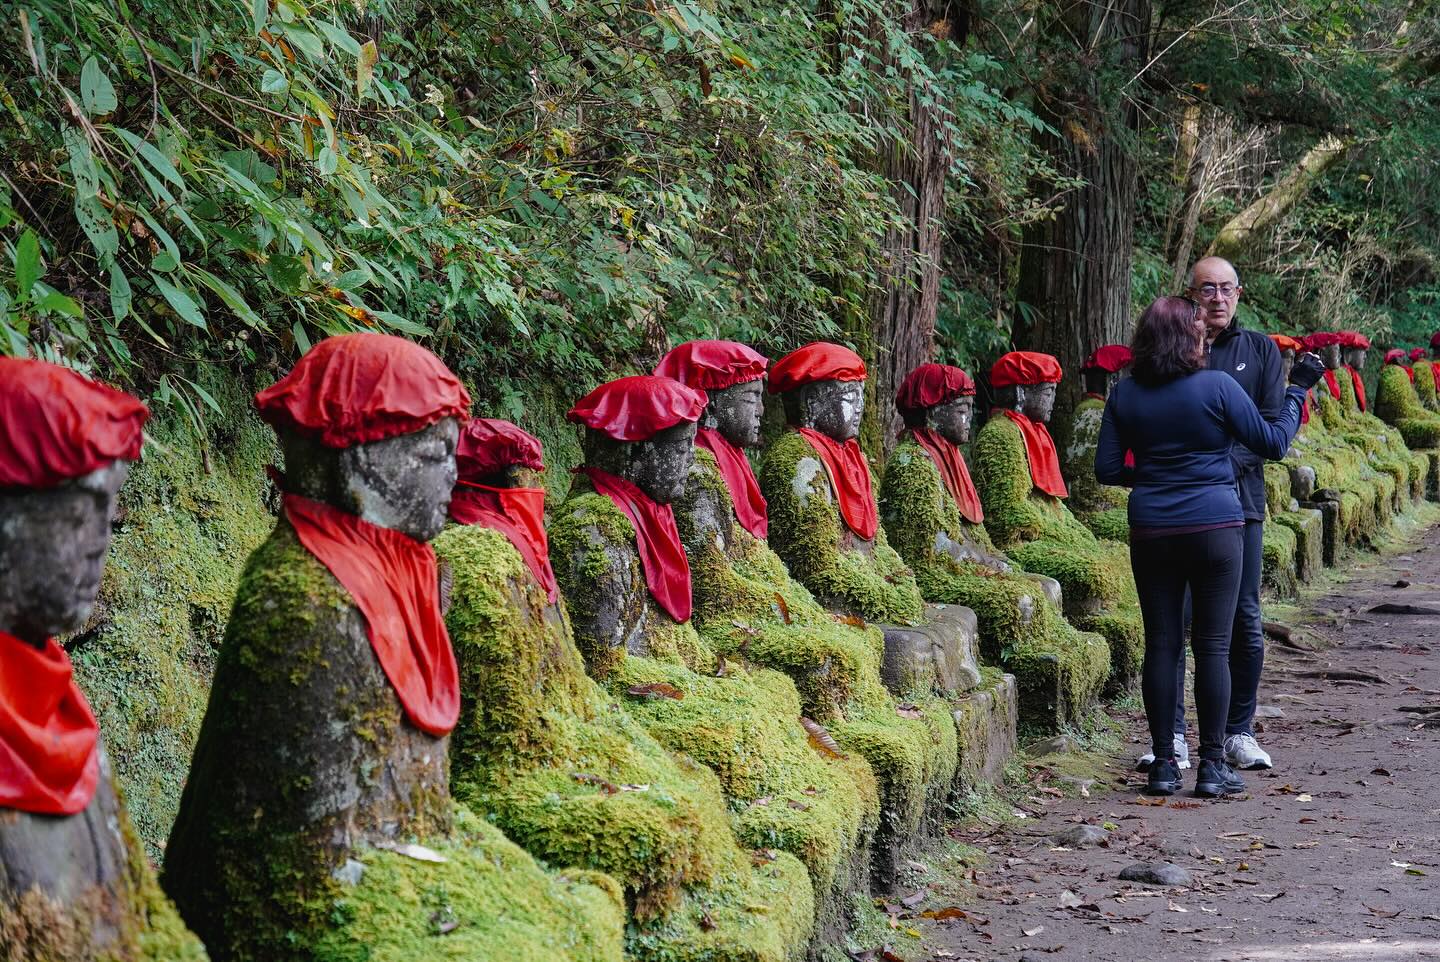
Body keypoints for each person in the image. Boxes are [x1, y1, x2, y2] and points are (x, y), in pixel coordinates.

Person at [1097, 296, 1324, 798]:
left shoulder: (1125, 394)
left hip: (1153, 526)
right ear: (1189, 338)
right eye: (1198, 326)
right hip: (1217, 525)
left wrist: (1156, 476)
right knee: (1213, 646)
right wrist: (1297, 391)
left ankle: (1162, 764)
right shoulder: (1217, 386)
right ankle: (1212, 766)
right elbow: (1273, 441)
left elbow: (1108, 470)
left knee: (1162, 643)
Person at [1186, 256, 1284, 772]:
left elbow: (1268, 431)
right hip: (1181, 507)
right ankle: (1174, 735)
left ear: (1239, 294)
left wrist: (1216, 467)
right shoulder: (1176, 348)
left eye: (1226, 289)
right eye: (1208, 290)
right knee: (1179, 620)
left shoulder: (1260, 351)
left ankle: (1238, 731)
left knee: (1244, 618)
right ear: (1192, 294)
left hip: (1240, 503)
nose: (1218, 299)